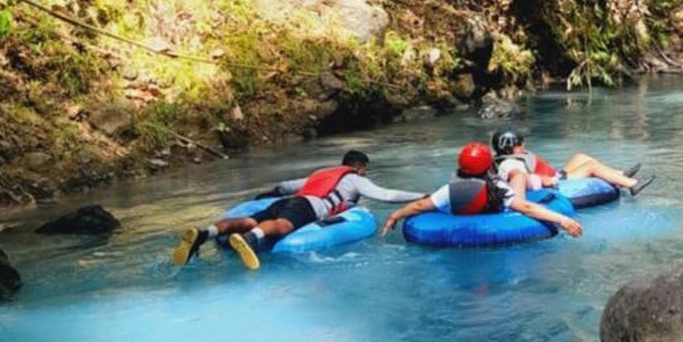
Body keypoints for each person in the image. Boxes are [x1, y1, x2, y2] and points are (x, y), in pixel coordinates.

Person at [172, 149, 418, 270]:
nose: (365, 174)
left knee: (248, 219)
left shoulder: (321, 174)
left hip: (286, 201)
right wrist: (423, 196)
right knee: (282, 226)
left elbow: (285, 186)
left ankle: (204, 234)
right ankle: (251, 239)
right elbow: (386, 195)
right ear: (359, 167)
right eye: (365, 169)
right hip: (308, 207)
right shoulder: (354, 178)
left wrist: (264, 196)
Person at [382, 141, 584, 240]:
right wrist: (562, 220)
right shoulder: (496, 187)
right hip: (501, 234)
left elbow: (419, 206)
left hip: (453, 239)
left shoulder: (449, 190)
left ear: (460, 166)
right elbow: (526, 208)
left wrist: (395, 215)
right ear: (489, 167)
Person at [490, 128, 652, 197]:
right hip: (554, 183)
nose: (523, 146)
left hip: (555, 175)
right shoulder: (511, 165)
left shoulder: (510, 159)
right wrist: (552, 180)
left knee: (580, 157)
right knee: (591, 167)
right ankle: (632, 184)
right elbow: (526, 180)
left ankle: (619, 175)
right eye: (520, 144)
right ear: (511, 147)